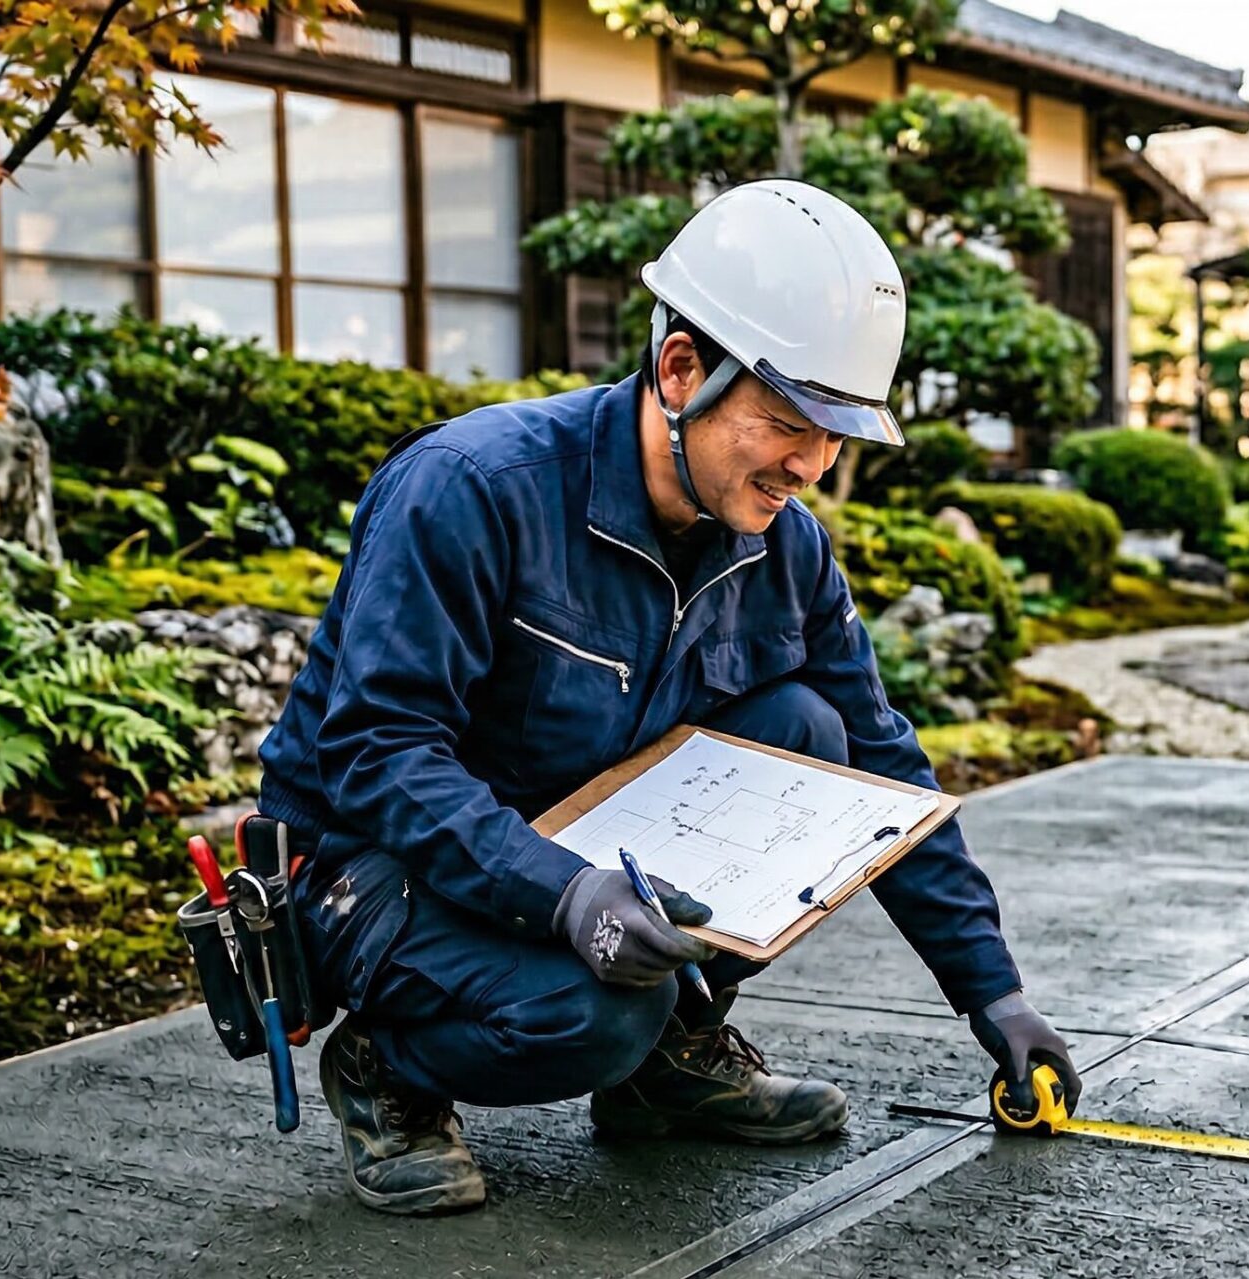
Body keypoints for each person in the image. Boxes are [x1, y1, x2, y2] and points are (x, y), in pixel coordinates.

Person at [253, 179, 1079, 1215]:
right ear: (681, 368)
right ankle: (389, 1073)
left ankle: (666, 1068)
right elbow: (376, 754)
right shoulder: (471, 488)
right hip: (380, 868)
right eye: (787, 421)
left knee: (811, 739)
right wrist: (564, 892)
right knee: (594, 1015)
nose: (813, 465)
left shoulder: (783, 546)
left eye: (835, 435)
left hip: (585, 836)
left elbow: (878, 764)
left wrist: (993, 994)